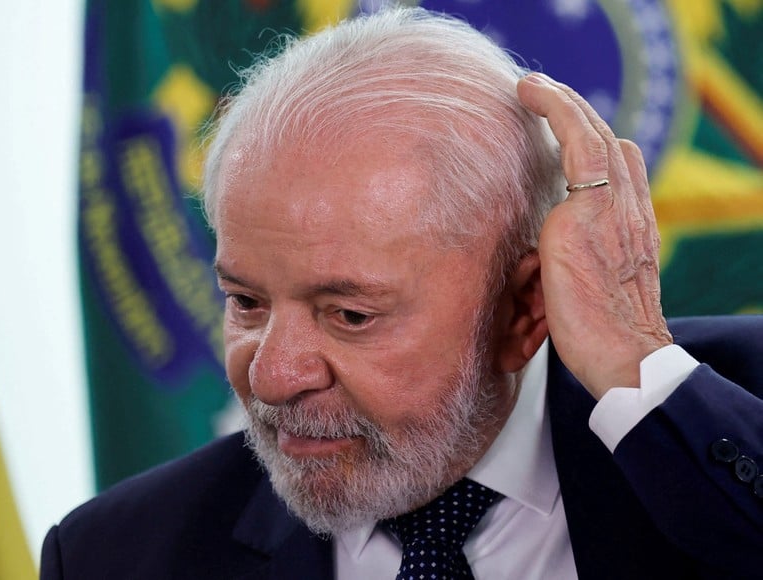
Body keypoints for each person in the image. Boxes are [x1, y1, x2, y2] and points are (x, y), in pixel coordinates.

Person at [40, 7, 763, 579]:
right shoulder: (115, 556)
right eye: (247, 303)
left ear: (525, 309)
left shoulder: (714, 417)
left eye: (350, 314)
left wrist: (634, 360)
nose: (271, 375)